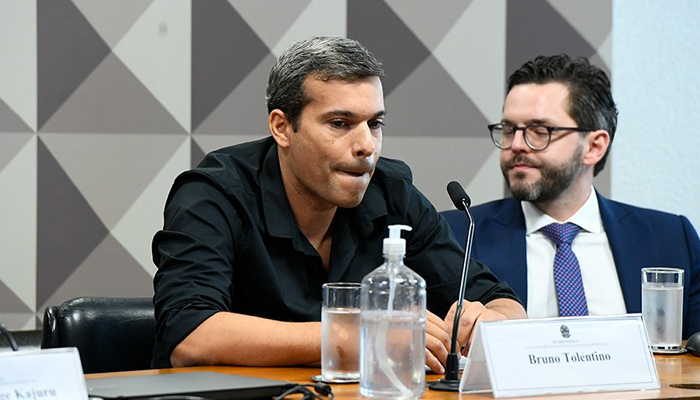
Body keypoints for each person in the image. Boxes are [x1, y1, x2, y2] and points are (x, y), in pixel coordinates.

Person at [151, 36, 526, 371]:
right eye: (340, 123)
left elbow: (500, 302)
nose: (367, 146)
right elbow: (191, 336)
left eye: (375, 124)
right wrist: (359, 334)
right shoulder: (213, 194)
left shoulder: (393, 193)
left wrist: (493, 322)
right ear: (282, 127)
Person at [445, 54, 700, 338]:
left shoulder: (672, 240)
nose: (516, 145)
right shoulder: (456, 236)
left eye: (539, 131)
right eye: (508, 130)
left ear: (594, 146)